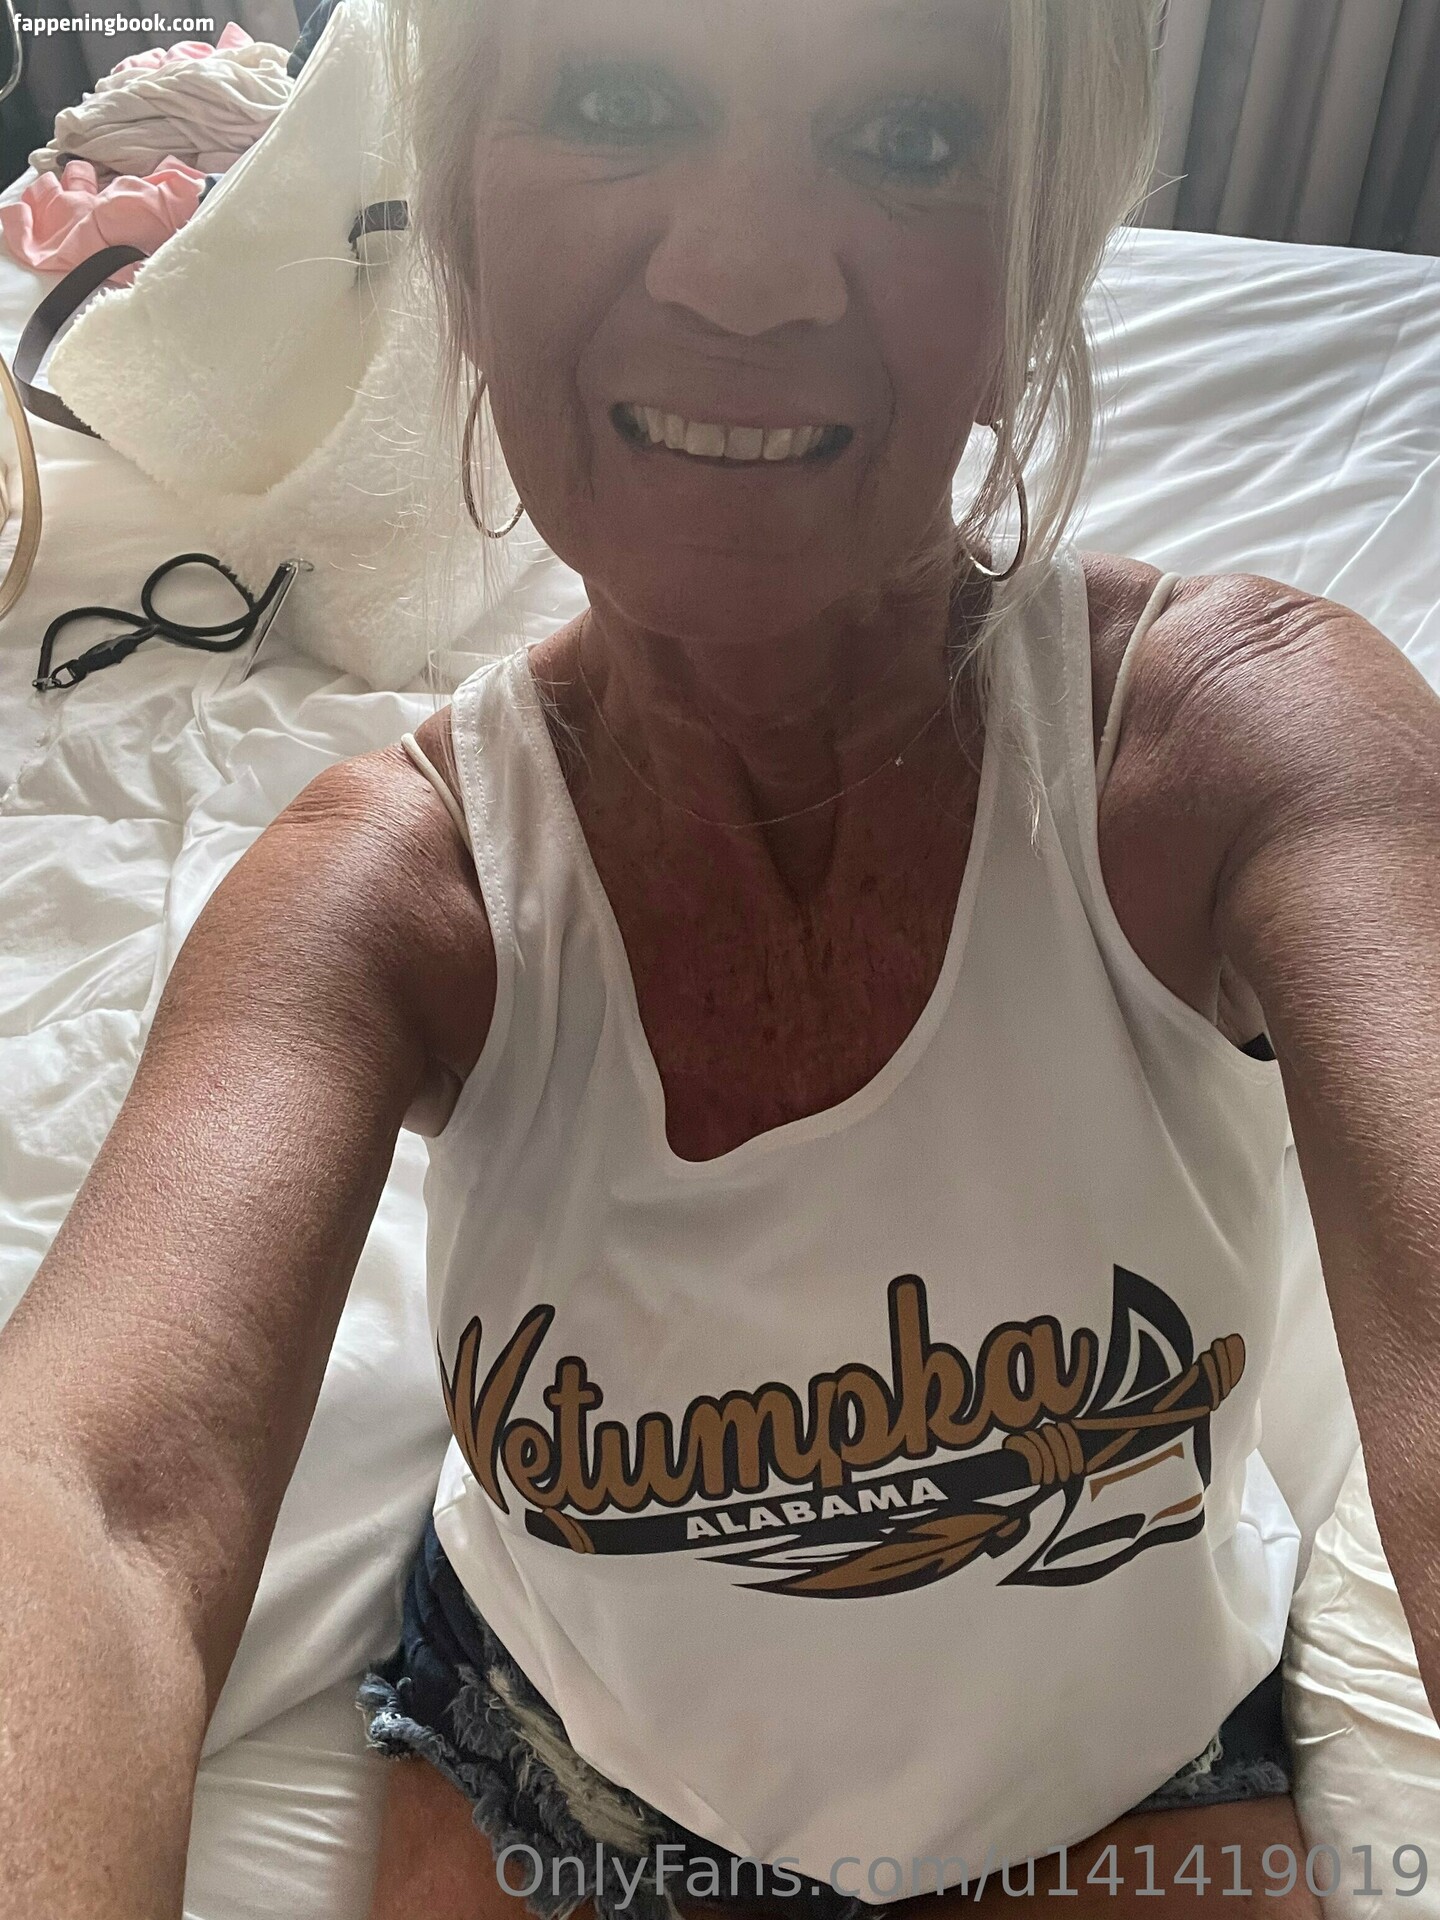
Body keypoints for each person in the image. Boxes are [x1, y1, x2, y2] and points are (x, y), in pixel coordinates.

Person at [2, 3, 1438, 1917]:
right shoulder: (390, 888)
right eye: (618, 99)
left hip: (1125, 1771)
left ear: (1033, 281)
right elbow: (92, 1501)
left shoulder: (1240, 751)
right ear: (464, 243)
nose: (745, 274)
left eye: (912, 140)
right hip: (553, 1757)